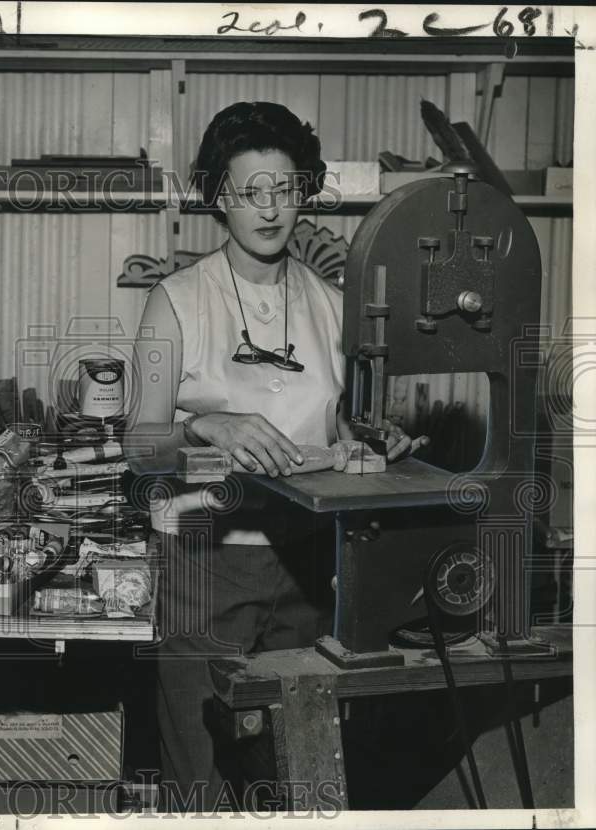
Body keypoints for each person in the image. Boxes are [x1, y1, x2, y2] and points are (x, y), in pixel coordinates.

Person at [122, 101, 422, 812]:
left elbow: (338, 433)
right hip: (204, 564)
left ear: (304, 192)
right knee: (200, 780)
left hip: (307, 568)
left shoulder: (330, 305)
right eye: (250, 191)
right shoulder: (176, 302)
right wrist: (208, 430)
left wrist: (373, 443)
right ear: (220, 198)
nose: (270, 209)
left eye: (285, 190)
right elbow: (139, 445)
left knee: (297, 773)